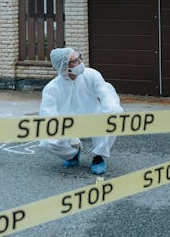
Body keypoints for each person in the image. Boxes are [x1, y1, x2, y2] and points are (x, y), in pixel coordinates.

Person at [40, 47, 123, 175]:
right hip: (67, 124)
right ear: (64, 66)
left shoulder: (91, 75)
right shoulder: (51, 89)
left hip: (93, 118)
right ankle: (71, 154)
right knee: (47, 141)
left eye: (79, 58)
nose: (80, 62)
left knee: (115, 114)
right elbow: (48, 117)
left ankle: (98, 157)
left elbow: (106, 93)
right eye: (74, 61)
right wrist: (64, 134)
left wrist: (112, 109)